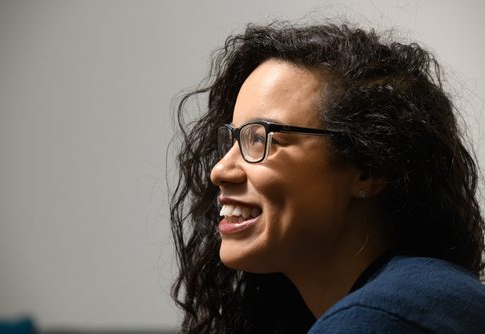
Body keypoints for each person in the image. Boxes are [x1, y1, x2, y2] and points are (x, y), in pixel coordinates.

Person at [169, 21, 485, 333]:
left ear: (368, 167)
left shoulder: (379, 318)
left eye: (261, 138)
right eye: (233, 139)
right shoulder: (427, 297)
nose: (220, 170)